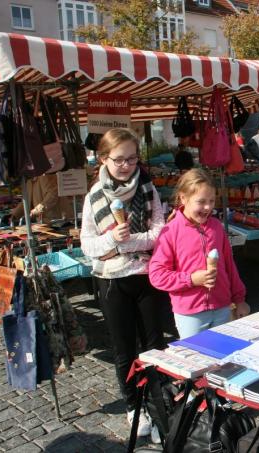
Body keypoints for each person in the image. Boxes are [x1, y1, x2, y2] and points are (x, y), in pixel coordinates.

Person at [79, 128, 167, 438]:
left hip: (146, 276)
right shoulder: (93, 197)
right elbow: (87, 246)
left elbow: (159, 234)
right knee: (124, 350)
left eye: (132, 158)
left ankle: (161, 406)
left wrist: (125, 244)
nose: (127, 165)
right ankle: (135, 407)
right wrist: (110, 241)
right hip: (112, 281)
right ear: (103, 159)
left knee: (155, 346)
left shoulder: (148, 188)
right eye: (119, 160)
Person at [149, 168, 250, 339]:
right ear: (183, 198)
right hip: (190, 313)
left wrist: (239, 299)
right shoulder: (170, 232)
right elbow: (157, 275)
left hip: (222, 307)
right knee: (197, 360)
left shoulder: (216, 227)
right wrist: (191, 279)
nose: (208, 207)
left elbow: (229, 265)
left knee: (224, 357)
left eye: (211, 201)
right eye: (201, 201)